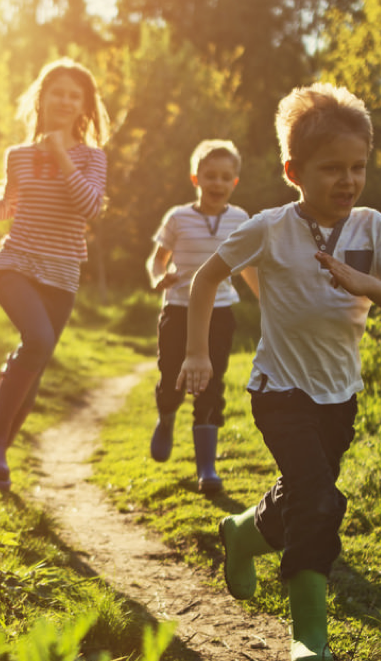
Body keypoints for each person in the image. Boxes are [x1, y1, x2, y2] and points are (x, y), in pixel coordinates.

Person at [176, 83, 381, 660]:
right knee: (318, 501)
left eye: (357, 167)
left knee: (305, 497)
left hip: (341, 395)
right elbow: (206, 278)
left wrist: (365, 283)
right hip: (279, 389)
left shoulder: (372, 228)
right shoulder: (270, 226)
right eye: (331, 167)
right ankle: (308, 640)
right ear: (294, 170)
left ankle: (241, 533)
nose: (348, 180)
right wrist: (196, 353)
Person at [0, 57, 110, 492]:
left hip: (62, 275)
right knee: (38, 341)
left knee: (34, 366)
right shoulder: (18, 156)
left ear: (84, 107)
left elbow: (91, 208)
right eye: (57, 91)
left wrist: (62, 157)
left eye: (74, 95)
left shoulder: (92, 158)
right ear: (41, 98)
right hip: (16, 263)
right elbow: (10, 205)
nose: (64, 100)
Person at [146, 139, 260, 495]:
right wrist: (156, 278)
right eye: (210, 176)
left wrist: (270, 303)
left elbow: (249, 267)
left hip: (220, 312)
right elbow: (158, 259)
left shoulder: (241, 219)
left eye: (225, 177)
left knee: (211, 384)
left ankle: (207, 468)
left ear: (235, 183)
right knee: (172, 380)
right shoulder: (177, 218)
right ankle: (166, 416)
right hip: (178, 309)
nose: (217, 183)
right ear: (195, 178)